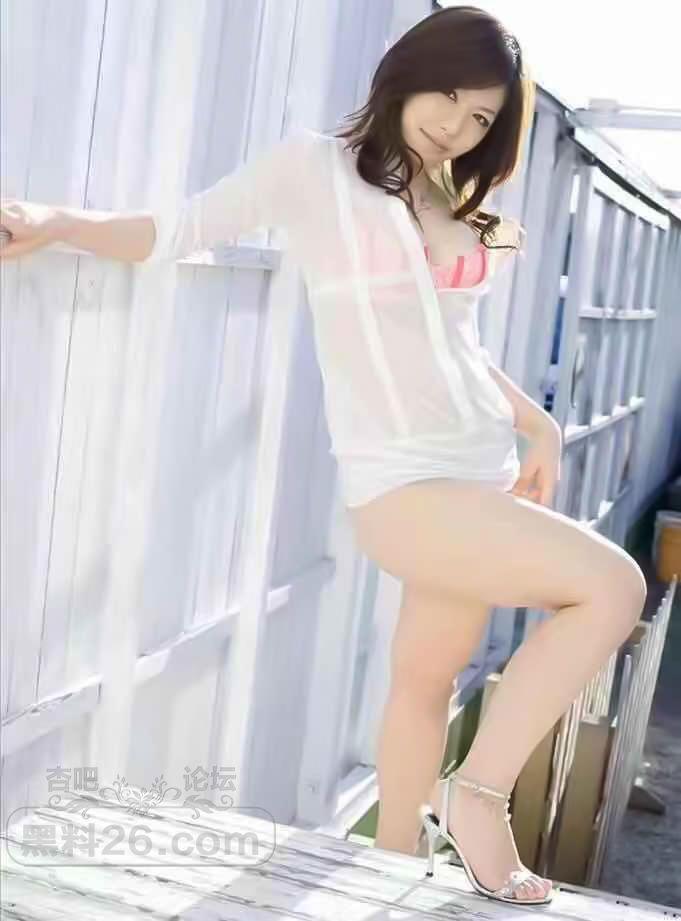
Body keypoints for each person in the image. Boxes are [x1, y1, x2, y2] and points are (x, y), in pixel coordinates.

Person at [1, 4, 647, 907]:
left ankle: (391, 864)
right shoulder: (314, 168)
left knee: (423, 681)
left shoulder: (450, 199)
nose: (455, 124)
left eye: (480, 118)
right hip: (404, 483)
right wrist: (57, 220)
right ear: (406, 71)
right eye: (448, 95)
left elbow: (451, 341)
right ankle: (477, 796)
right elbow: (175, 230)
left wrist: (532, 419)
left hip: (478, 468)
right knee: (612, 587)